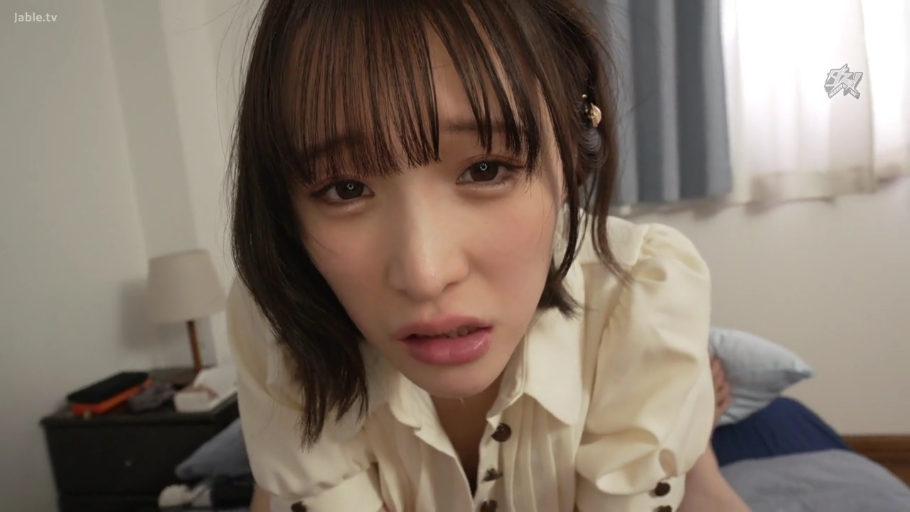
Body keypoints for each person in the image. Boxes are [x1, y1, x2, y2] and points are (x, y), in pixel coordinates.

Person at [226, 0, 745, 510]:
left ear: (570, 145)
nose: (426, 275)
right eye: (345, 188)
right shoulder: (279, 321)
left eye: (485, 169)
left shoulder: (641, 297)